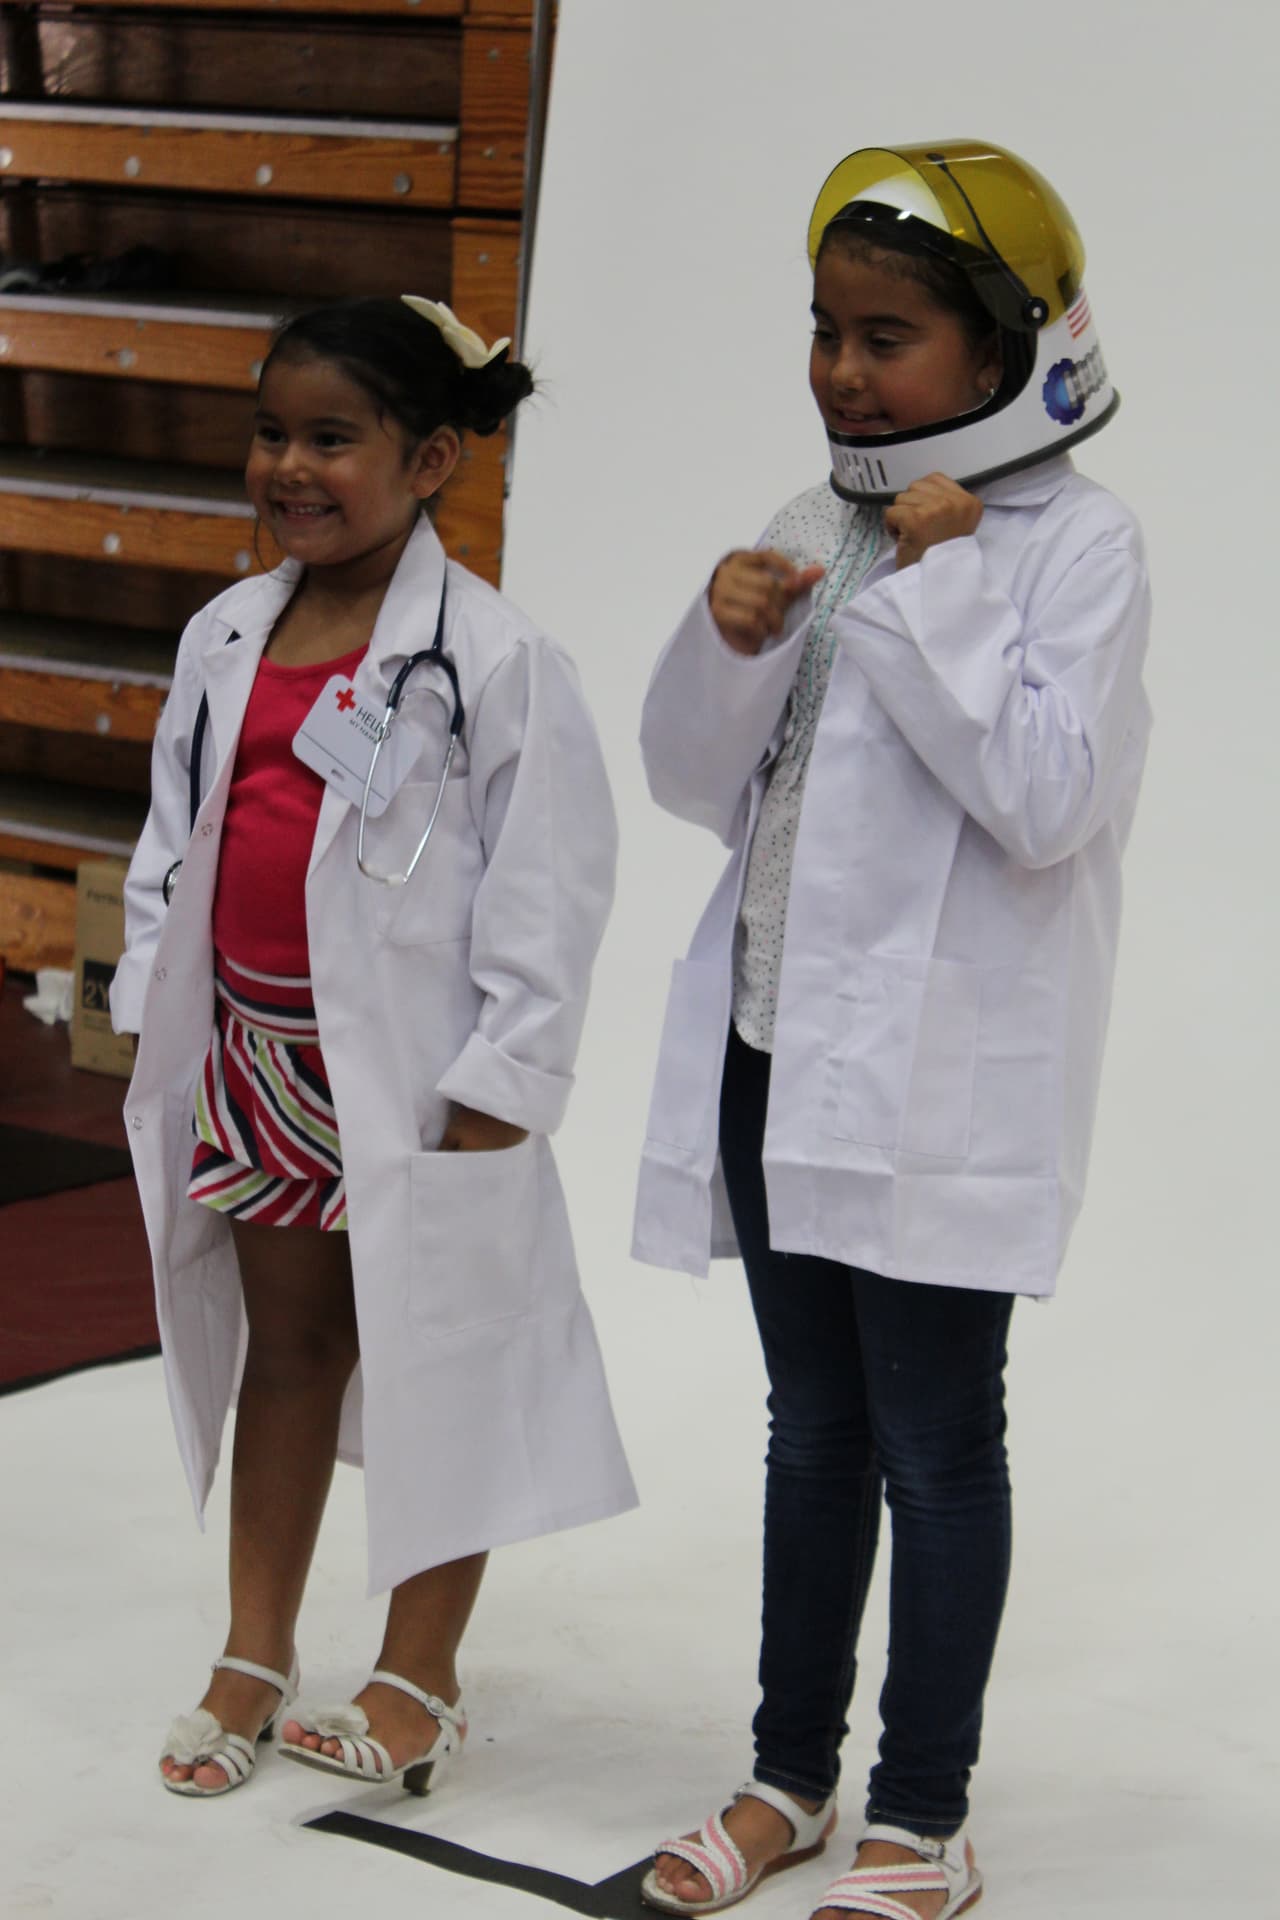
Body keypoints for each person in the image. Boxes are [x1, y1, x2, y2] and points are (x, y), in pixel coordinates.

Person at [632, 142, 1151, 1920]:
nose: (848, 372)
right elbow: (700, 790)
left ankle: (922, 1812)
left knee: (937, 1447)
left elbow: (1045, 799)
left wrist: (946, 585)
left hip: (937, 1083)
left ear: (1007, 350)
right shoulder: (813, 519)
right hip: (773, 1050)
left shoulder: (1076, 545)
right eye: (827, 331)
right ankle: (787, 1773)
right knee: (809, 1432)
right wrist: (724, 640)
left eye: (892, 336)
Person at [110, 294, 637, 1799]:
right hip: (261, 1062)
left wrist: (504, 1085)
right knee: (288, 1355)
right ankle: (254, 1649)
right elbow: (170, 845)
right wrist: (155, 996)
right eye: (271, 432)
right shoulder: (227, 634)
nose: (290, 465)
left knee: (435, 1362)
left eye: (332, 437)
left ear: (433, 462)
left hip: (414, 1083)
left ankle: (419, 1671)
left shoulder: (498, 660)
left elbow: (551, 889)